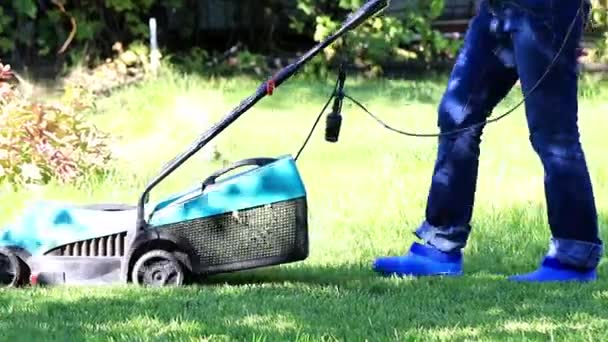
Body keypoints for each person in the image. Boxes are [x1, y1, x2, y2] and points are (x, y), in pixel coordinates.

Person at [372, 0, 603, 282]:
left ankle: (574, 257)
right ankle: (440, 245)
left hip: (547, 11)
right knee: (457, 115)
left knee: (553, 132)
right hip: (496, 8)